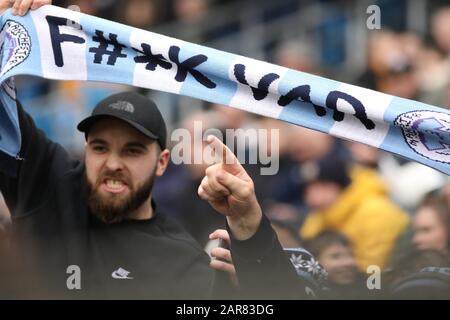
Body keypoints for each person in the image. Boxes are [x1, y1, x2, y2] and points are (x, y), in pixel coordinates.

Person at [0, 1, 311, 299]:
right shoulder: (52, 187)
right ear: (86, 150)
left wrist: (248, 224)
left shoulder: (181, 262)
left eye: (132, 151)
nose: (113, 163)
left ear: (162, 162)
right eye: (100, 147)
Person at [299, 154, 410, 271]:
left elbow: (373, 268)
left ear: (334, 186)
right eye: (306, 189)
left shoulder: (377, 212)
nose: (308, 197)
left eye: (316, 187)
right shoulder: (322, 212)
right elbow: (305, 252)